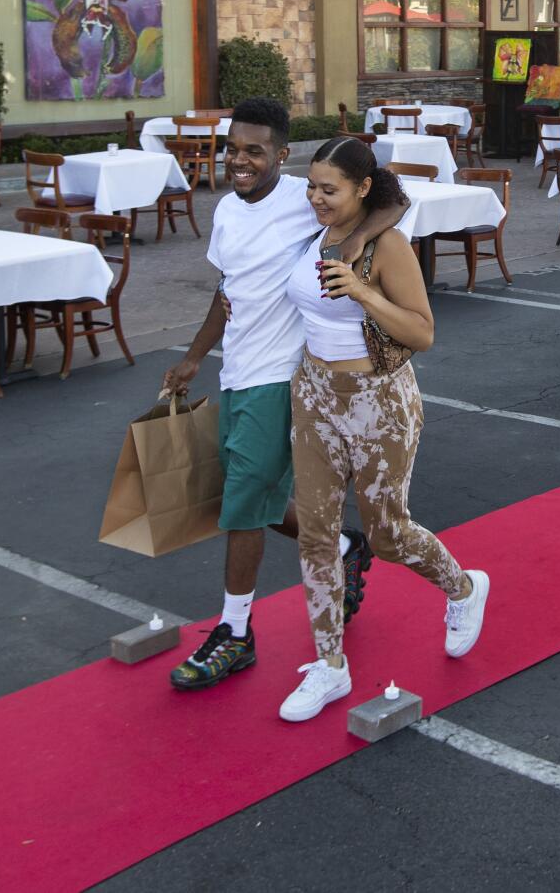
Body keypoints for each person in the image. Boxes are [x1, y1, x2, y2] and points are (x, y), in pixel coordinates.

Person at [160, 98, 402, 693]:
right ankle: (346, 544)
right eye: (233, 148)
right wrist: (195, 356)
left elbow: (394, 199)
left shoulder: (304, 198)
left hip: (281, 374)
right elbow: (228, 291)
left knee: (241, 501)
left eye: (254, 152)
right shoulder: (225, 211)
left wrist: (351, 244)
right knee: (257, 492)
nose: (240, 161)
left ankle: (235, 632)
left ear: (280, 155)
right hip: (236, 370)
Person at [275, 135, 489, 723]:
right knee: (316, 533)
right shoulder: (314, 230)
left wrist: (364, 290)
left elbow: (422, 333)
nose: (316, 199)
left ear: (362, 188)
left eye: (329, 190)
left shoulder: (388, 247)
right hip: (314, 393)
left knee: (388, 533)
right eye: (312, 187)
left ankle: (464, 589)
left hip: (379, 403)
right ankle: (329, 665)